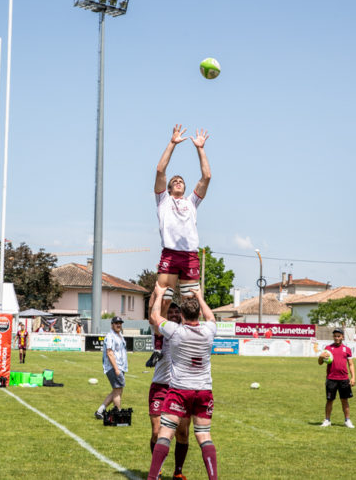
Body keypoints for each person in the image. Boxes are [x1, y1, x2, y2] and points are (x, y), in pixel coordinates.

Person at [148, 124, 211, 367]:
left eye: (180, 181)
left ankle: (189, 344)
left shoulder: (192, 202)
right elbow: (160, 169)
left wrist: (200, 149)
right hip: (170, 255)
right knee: (162, 298)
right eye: (174, 180)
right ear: (168, 187)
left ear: (185, 187)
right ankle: (158, 347)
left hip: (190, 256)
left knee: (192, 304)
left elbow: (206, 177)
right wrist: (172, 143)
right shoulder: (162, 200)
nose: (177, 182)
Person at [148, 284, 218, 480]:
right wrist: (199, 296)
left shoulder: (176, 331)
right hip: (204, 390)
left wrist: (159, 295)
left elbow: (155, 317)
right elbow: (211, 317)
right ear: (199, 314)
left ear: (182, 316)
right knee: (204, 435)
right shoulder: (208, 331)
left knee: (165, 434)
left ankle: (152, 477)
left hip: (180, 390)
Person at [148, 299, 190, 480]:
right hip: (160, 386)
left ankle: (178, 472)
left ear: (181, 314)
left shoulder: (185, 331)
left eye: (176, 312)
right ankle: (157, 470)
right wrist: (160, 292)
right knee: (157, 431)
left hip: (181, 388)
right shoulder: (159, 329)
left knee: (182, 432)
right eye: (170, 312)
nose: (173, 315)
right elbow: (153, 312)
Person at [318, 328, 356, 429]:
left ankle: (347, 420)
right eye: (335, 336)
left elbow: (351, 364)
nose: (337, 338)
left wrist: (353, 377)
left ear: (342, 337)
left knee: (345, 400)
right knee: (329, 400)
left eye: (339, 336)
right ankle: (327, 420)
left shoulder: (347, 349)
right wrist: (321, 357)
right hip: (331, 379)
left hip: (344, 379)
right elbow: (320, 363)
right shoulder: (328, 348)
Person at [94, 316, 128, 419]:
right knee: (117, 391)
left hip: (120, 367)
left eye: (120, 323)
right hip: (114, 367)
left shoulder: (119, 335)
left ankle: (100, 411)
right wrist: (116, 369)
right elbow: (109, 353)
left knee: (117, 390)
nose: (118, 325)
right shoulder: (110, 336)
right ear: (112, 324)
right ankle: (117, 414)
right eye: (116, 323)